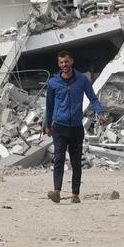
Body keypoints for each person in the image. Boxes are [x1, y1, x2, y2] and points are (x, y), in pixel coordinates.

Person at [43, 50, 109, 204]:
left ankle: (75, 194)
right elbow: (49, 105)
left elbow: (92, 98)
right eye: (61, 62)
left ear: (71, 61)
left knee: (75, 162)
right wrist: (47, 124)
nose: (64, 65)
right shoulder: (53, 83)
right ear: (59, 64)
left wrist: (100, 112)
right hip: (59, 126)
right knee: (58, 159)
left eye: (66, 61)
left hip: (76, 128)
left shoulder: (82, 80)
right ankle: (56, 192)